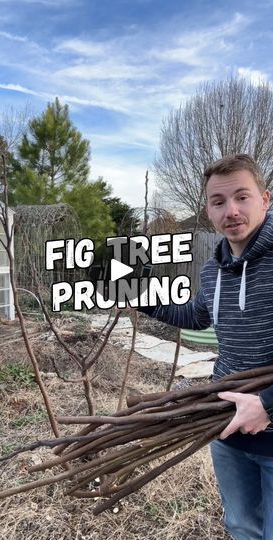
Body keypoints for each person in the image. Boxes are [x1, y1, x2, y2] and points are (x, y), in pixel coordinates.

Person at [139, 154, 273, 540]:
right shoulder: (213, 269)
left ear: (265, 199)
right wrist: (141, 299)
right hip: (225, 426)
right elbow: (197, 316)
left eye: (242, 197)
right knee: (241, 526)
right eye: (218, 201)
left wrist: (266, 404)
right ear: (208, 209)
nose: (231, 210)